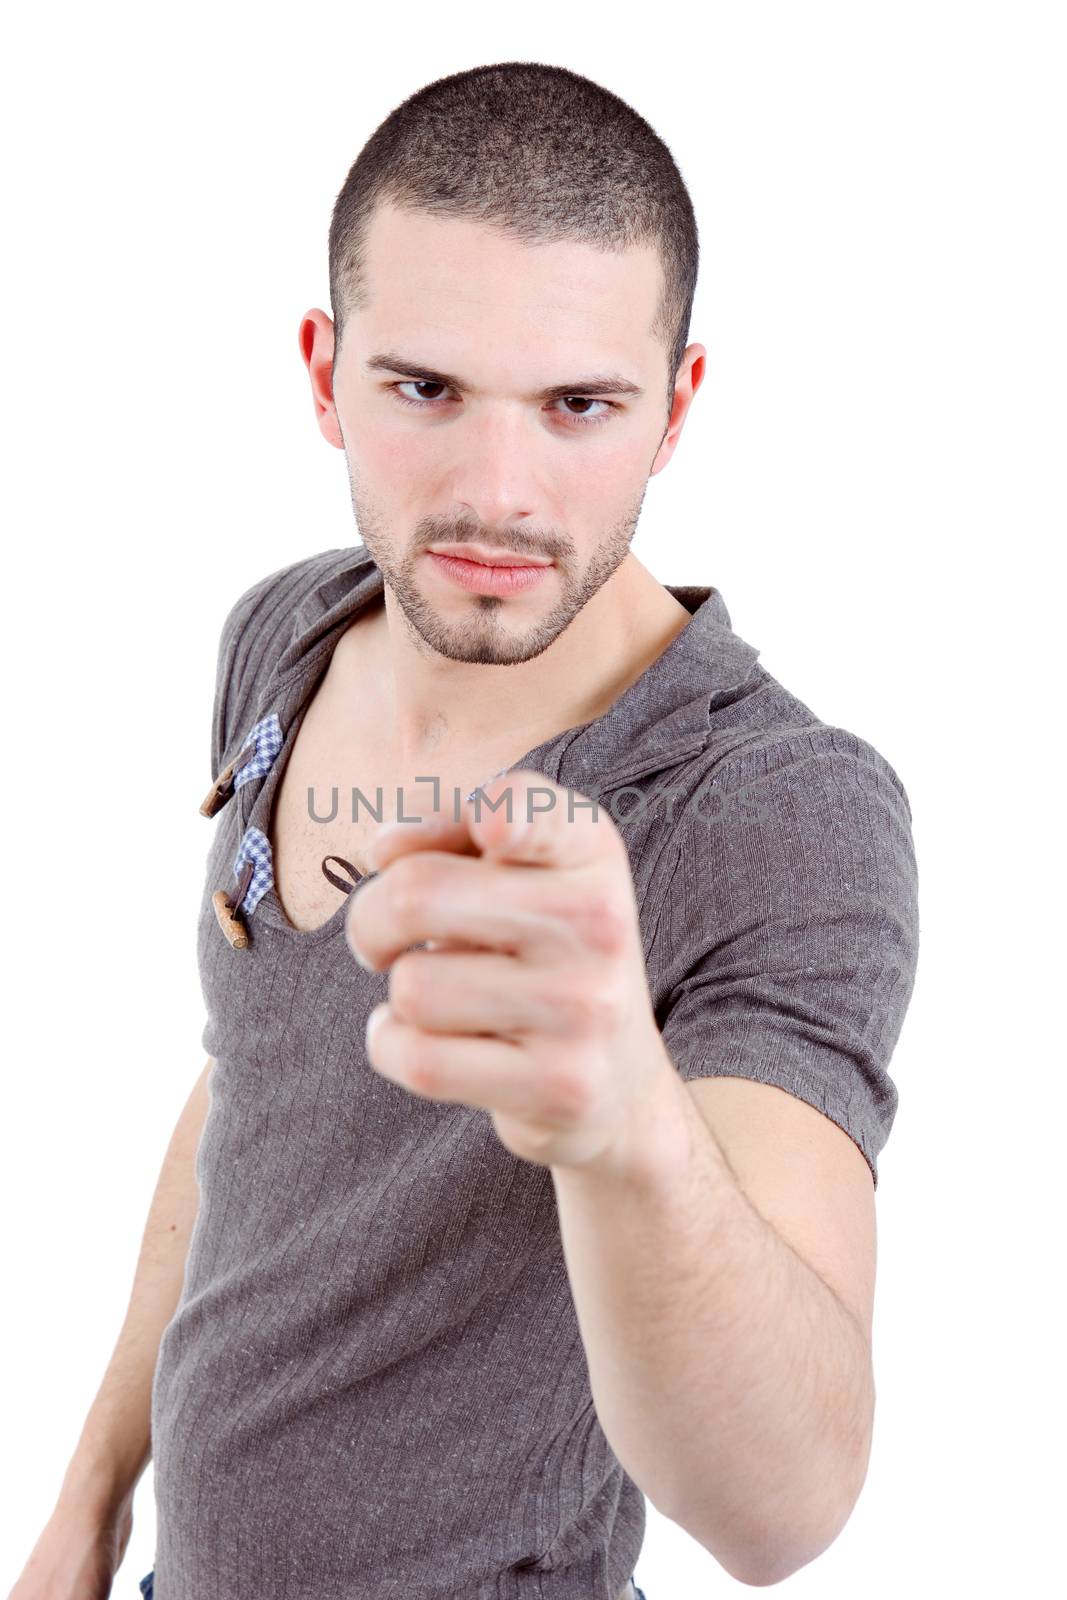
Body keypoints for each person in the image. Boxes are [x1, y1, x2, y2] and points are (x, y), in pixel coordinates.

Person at [11, 61, 918, 1600]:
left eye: (580, 406)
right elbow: (250, 1089)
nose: (499, 496)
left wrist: (625, 1117)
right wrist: (90, 1502)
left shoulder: (769, 809)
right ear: (323, 373)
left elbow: (788, 1506)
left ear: (676, 410)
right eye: (426, 390)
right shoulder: (284, 634)